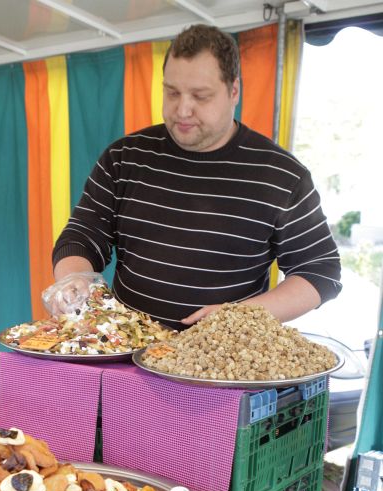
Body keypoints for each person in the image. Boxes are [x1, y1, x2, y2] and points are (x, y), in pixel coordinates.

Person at [51, 24, 342, 327]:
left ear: (234, 91)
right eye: (172, 92)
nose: (183, 110)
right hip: (128, 348)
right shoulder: (123, 157)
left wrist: (238, 317)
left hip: (225, 353)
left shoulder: (282, 175)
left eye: (200, 96)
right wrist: (74, 280)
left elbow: (320, 270)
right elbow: (82, 236)